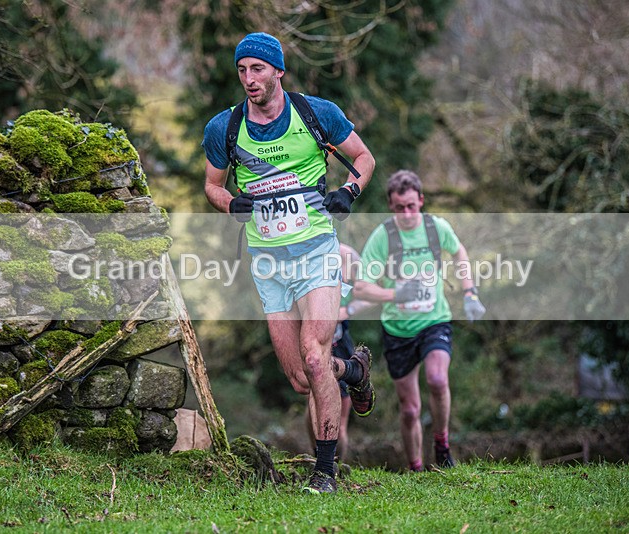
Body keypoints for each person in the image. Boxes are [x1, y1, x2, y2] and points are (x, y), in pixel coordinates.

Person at [202, 32, 376, 494]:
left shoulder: (316, 114)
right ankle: (354, 371)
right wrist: (231, 205)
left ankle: (325, 474)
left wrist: (349, 192)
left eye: (257, 69)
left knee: (316, 357)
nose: (248, 79)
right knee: (301, 377)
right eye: (242, 70)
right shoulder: (225, 127)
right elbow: (213, 186)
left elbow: (364, 158)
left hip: (318, 250)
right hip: (268, 263)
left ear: (278, 70)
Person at [354, 170, 486, 471]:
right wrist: (395, 294)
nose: (407, 213)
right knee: (410, 410)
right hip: (398, 329)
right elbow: (362, 286)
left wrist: (470, 292)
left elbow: (459, 252)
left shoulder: (435, 228)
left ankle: (442, 444)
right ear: (391, 205)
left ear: (421, 201)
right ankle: (415, 467)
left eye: (412, 206)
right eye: (400, 207)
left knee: (438, 379)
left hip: (434, 320)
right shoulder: (383, 236)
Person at [304, 243, 375, 464]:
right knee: (311, 406)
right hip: (314, 344)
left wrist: (347, 310)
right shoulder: (311, 250)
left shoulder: (345, 252)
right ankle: (321, 460)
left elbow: (370, 292)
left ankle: (337, 467)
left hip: (340, 345)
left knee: (339, 418)